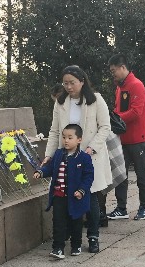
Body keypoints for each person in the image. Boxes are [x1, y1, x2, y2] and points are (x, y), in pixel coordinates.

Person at [42, 65, 112, 253]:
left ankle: (93, 236)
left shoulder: (96, 99)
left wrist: (91, 148)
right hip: (67, 156)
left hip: (90, 155)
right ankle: (68, 236)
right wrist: (49, 156)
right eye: (65, 83)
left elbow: (105, 127)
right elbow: (55, 130)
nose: (69, 87)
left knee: (91, 197)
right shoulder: (61, 102)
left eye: (72, 83)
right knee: (68, 195)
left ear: (82, 81)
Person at [34, 124, 94, 259]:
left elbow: (88, 177)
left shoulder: (84, 158)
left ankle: (76, 244)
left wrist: (81, 190)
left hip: (75, 197)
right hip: (59, 195)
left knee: (76, 222)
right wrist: (41, 172)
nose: (66, 140)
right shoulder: (59, 154)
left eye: (70, 137)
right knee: (58, 221)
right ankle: (58, 248)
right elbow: (50, 168)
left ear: (79, 140)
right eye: (64, 137)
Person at [106, 53, 145, 221]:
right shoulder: (119, 87)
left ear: (123, 67)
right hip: (122, 138)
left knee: (141, 174)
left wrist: (115, 119)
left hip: (138, 138)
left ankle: (144, 208)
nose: (113, 74)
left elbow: (136, 112)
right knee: (120, 175)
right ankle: (121, 208)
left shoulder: (136, 85)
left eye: (114, 71)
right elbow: (118, 109)